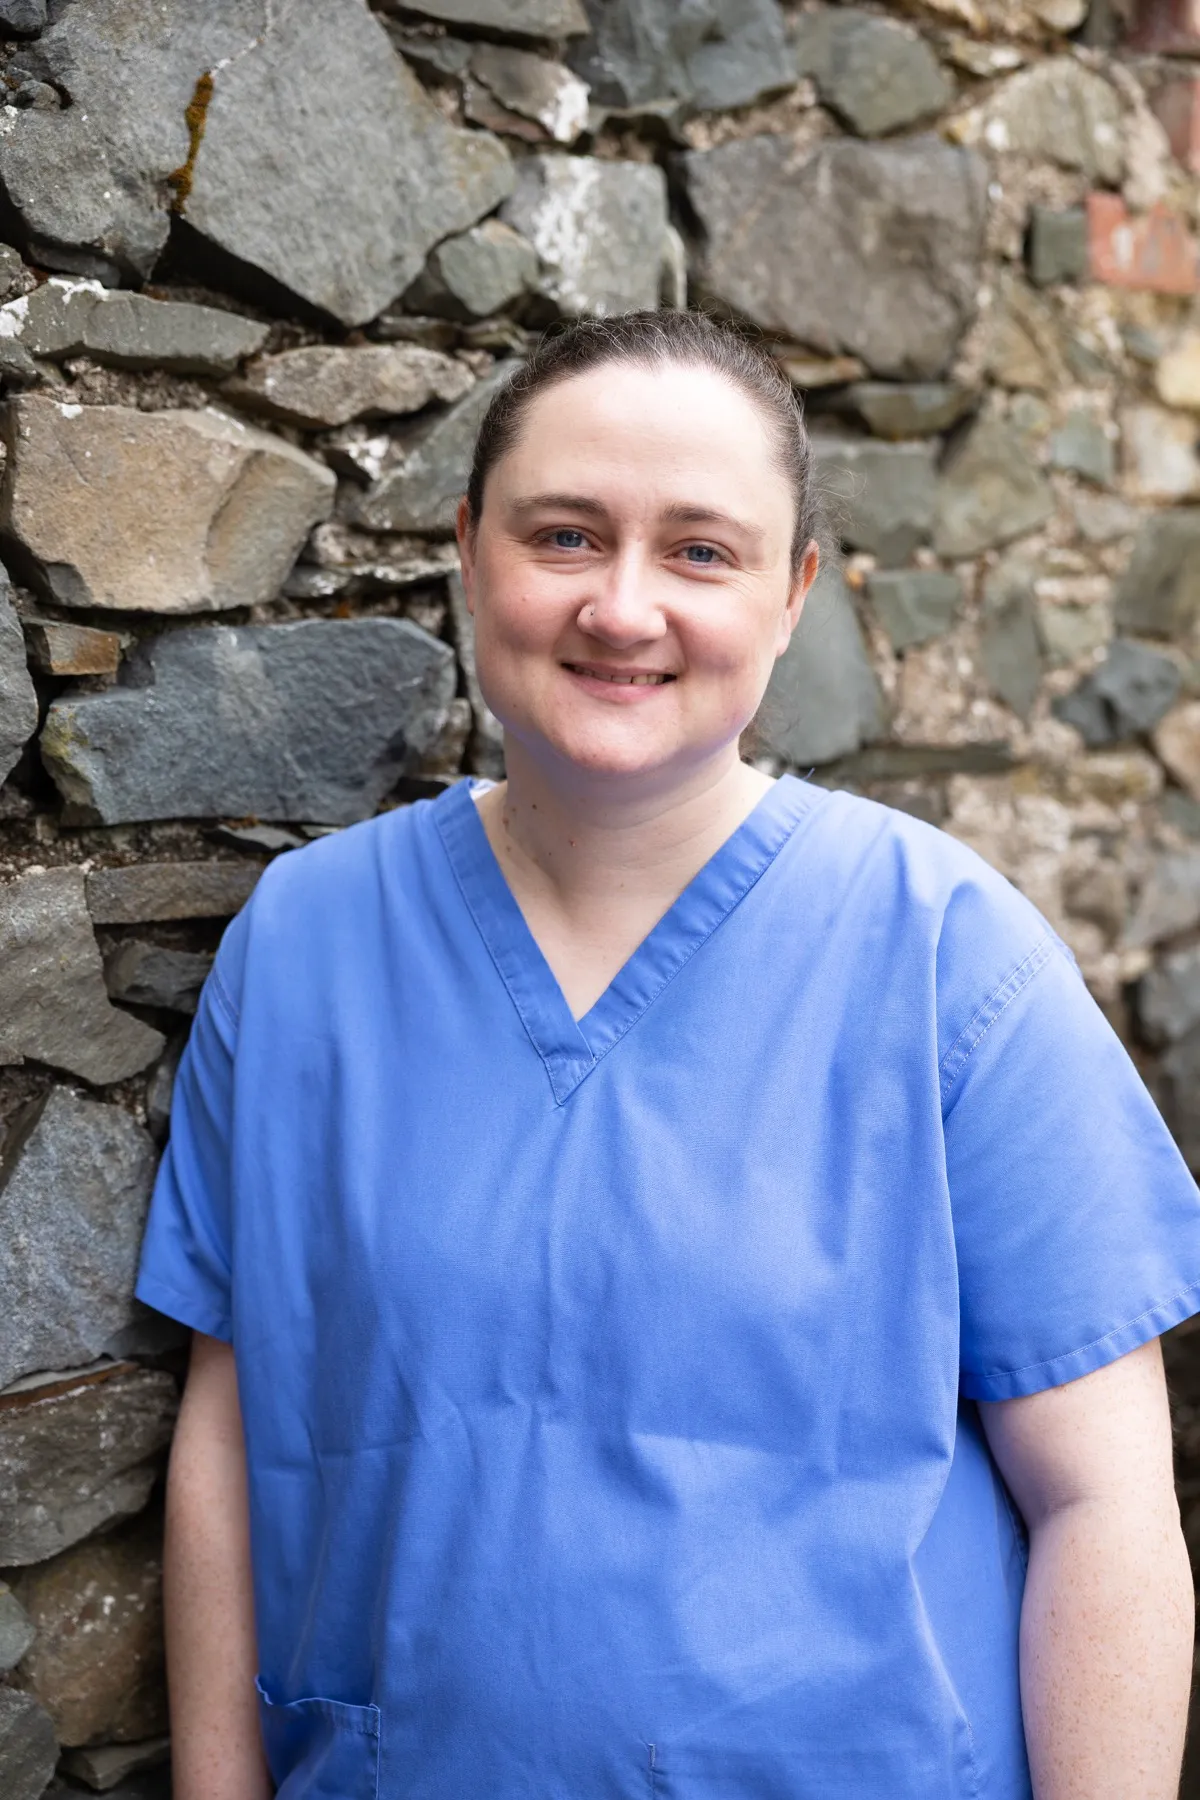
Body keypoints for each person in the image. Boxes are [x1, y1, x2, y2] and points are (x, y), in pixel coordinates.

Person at [137, 310, 1200, 1800]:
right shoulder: (305, 946)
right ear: (467, 547)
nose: (623, 608)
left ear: (793, 595)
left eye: (701, 551)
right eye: (566, 535)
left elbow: (1104, 1506)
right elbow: (235, 1435)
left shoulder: (949, 959)